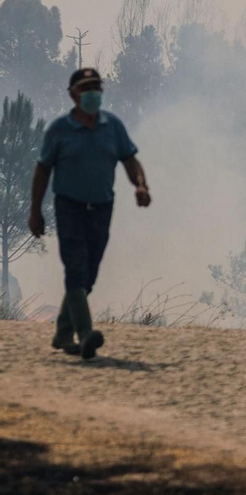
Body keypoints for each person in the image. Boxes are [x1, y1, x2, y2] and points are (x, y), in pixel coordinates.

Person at [29, 68, 152, 360]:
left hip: (101, 209)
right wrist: (35, 211)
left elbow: (130, 160)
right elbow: (43, 170)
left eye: (96, 87)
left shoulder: (113, 126)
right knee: (76, 269)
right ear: (73, 94)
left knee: (89, 276)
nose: (92, 93)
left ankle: (61, 333)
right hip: (69, 208)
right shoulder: (59, 129)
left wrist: (141, 185)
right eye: (86, 88)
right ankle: (85, 335)